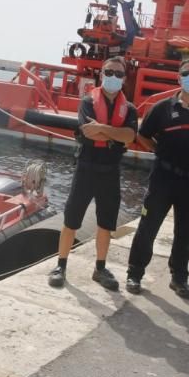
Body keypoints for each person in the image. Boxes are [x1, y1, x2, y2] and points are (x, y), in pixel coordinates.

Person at [125, 58, 189, 297]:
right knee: (148, 227)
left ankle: (179, 277)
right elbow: (144, 135)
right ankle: (135, 274)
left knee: (185, 232)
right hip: (163, 178)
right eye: (186, 73)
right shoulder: (161, 108)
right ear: (179, 79)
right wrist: (160, 151)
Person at [48, 56, 138, 290]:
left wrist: (102, 130)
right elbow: (88, 133)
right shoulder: (88, 102)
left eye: (119, 74)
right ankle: (61, 265)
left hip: (111, 171)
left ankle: (100, 268)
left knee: (106, 223)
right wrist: (114, 134)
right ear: (102, 73)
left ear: (124, 78)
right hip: (86, 169)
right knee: (71, 219)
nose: (113, 77)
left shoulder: (129, 109)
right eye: (109, 72)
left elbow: (130, 136)